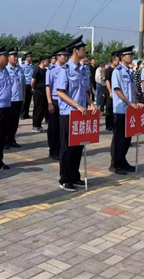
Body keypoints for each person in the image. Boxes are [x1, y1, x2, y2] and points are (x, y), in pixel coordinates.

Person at [56, 35, 97, 192]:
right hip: (69, 113)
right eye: (83, 49)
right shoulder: (65, 69)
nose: (85, 52)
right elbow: (60, 92)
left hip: (81, 114)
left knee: (78, 147)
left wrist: (90, 103)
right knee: (67, 147)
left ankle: (74, 175)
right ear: (75, 51)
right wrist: (77, 106)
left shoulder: (82, 69)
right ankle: (64, 179)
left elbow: (84, 90)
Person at [109, 46, 144, 175]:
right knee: (119, 138)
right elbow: (117, 90)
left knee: (127, 138)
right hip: (121, 110)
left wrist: (137, 102)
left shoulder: (130, 72)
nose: (131, 57)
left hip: (130, 110)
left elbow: (133, 90)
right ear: (122, 57)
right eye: (129, 55)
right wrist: (129, 103)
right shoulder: (117, 71)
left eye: (132, 55)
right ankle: (115, 164)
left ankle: (123, 161)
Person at [46, 47, 68, 160]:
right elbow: (48, 86)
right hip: (55, 100)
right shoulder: (52, 69)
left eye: (67, 56)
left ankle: (61, 149)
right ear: (58, 57)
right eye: (64, 56)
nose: (66, 58)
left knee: (63, 127)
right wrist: (50, 102)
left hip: (64, 101)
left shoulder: (67, 68)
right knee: (54, 127)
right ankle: (53, 151)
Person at [6, 47, 25, 149]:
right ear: (8, 57)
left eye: (17, 56)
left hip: (18, 99)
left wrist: (23, 97)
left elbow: (23, 84)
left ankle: (11, 139)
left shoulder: (20, 69)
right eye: (14, 56)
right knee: (7, 122)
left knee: (15, 122)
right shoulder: (5, 69)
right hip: (9, 100)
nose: (16, 58)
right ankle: (5, 141)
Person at [31, 57, 48, 132]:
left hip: (44, 92)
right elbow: (33, 81)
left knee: (43, 109)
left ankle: (39, 125)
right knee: (38, 109)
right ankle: (35, 126)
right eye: (47, 61)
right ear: (42, 61)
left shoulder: (46, 70)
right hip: (38, 92)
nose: (48, 62)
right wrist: (34, 88)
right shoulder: (37, 70)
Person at [104, 53, 119, 131]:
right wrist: (110, 91)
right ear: (113, 61)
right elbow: (107, 81)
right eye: (117, 60)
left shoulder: (117, 70)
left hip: (116, 92)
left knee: (114, 108)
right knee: (109, 108)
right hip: (110, 91)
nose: (118, 62)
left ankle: (113, 124)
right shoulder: (109, 70)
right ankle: (108, 125)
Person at [20, 52, 34, 119]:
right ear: (26, 57)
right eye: (30, 57)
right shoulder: (23, 65)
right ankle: (22, 114)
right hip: (25, 84)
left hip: (30, 84)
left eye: (31, 57)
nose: (31, 58)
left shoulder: (32, 66)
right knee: (24, 100)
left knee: (28, 100)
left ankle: (26, 113)